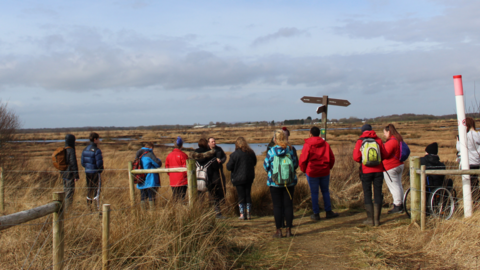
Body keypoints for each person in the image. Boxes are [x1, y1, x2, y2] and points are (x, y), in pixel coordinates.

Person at [264, 129, 298, 238]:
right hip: (290, 182)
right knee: (288, 205)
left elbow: (266, 166)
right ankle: (289, 230)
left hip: (275, 183)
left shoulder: (271, 151)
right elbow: (295, 164)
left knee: (277, 206)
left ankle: (278, 231)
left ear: (275, 139)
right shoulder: (290, 150)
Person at [299, 126, 338, 221]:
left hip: (312, 171)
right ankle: (328, 211)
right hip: (324, 171)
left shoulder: (308, 145)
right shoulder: (325, 144)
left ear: (310, 133)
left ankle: (316, 213)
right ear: (319, 133)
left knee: (314, 193)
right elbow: (332, 158)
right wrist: (329, 167)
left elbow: (303, 159)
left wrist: (304, 170)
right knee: (325, 191)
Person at [353, 124, 388, 226]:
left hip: (366, 171)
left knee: (367, 193)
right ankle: (377, 220)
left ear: (362, 131)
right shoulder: (379, 140)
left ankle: (370, 219)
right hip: (378, 170)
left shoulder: (360, 141)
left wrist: (363, 160)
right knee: (378, 193)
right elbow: (385, 155)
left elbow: (356, 157)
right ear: (371, 130)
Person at [192, 138, 225, 219]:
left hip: (198, 179)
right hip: (211, 180)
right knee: (214, 197)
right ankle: (217, 214)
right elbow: (216, 167)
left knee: (200, 198)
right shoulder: (210, 156)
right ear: (206, 144)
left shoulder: (194, 157)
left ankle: (200, 214)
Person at [226, 137, 257, 220]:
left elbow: (229, 167)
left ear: (236, 144)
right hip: (249, 177)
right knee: (248, 195)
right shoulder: (251, 153)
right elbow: (254, 163)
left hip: (238, 178)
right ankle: (248, 213)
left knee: (241, 196)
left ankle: (242, 214)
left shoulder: (234, 154)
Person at [382, 124, 405, 214]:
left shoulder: (391, 142)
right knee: (398, 185)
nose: (384, 135)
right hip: (399, 165)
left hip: (391, 167)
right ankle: (401, 203)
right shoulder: (399, 139)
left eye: (385, 132)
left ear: (389, 132)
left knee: (394, 187)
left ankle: (397, 205)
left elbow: (385, 154)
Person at [80, 132, 104, 211]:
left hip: (87, 172)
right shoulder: (97, 150)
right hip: (95, 172)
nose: (99, 140)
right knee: (97, 190)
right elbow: (99, 163)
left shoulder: (85, 149)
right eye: (98, 139)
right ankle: (96, 208)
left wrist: (87, 167)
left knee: (89, 188)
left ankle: (89, 207)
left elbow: (83, 162)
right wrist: (100, 170)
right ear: (95, 139)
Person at [456, 117, 480, 191]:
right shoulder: (478, 134)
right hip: (478, 161)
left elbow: (459, 148)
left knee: (471, 184)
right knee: (475, 181)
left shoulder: (466, 136)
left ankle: (474, 198)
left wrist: (458, 141)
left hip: (469, 162)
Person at [136, 142, 162, 210]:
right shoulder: (149, 154)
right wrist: (158, 159)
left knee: (143, 197)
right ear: (151, 148)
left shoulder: (139, 154)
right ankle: (152, 213)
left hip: (141, 178)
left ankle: (143, 213)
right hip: (150, 179)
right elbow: (158, 164)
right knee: (151, 197)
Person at [165, 137, 189, 201]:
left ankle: (175, 209)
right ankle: (180, 209)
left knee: (175, 196)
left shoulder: (169, 155)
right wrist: (186, 176)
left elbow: (167, 168)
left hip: (173, 180)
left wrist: (171, 174)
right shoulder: (183, 155)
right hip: (182, 180)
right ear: (181, 145)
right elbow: (186, 168)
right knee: (182, 197)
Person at [60, 134, 80, 212]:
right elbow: (73, 163)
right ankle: (67, 210)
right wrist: (76, 175)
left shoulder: (63, 150)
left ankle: (64, 208)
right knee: (69, 193)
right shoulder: (71, 150)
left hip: (63, 174)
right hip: (69, 175)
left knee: (65, 191)